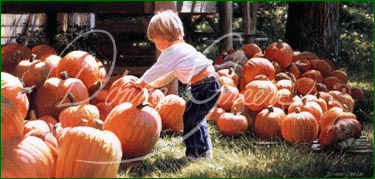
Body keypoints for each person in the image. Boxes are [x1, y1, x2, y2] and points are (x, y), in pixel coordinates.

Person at [129, 10, 221, 161]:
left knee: (191, 120)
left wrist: (142, 82)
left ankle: (194, 154)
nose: (156, 45)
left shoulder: (172, 52)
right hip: (210, 84)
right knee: (196, 118)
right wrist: (152, 85)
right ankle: (204, 152)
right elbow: (170, 74)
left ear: (164, 36)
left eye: (155, 40)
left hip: (204, 86)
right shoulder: (183, 49)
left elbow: (157, 69)